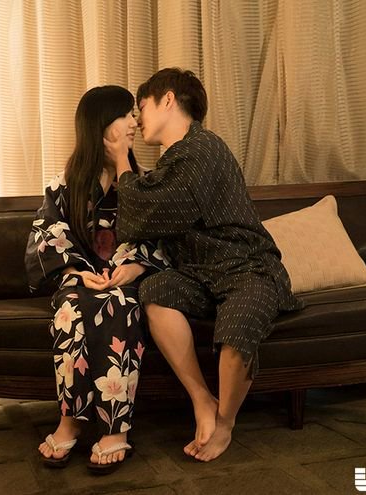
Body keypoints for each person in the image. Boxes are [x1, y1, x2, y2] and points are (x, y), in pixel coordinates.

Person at [104, 68, 303, 462]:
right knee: (156, 290)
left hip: (247, 267)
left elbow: (148, 209)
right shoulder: (172, 163)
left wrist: (122, 159)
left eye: (142, 107)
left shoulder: (202, 148)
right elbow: (153, 206)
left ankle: (225, 423)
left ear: (167, 99)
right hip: (200, 276)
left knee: (238, 325)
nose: (137, 120)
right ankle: (201, 399)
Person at [26, 85, 170, 474]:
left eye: (133, 114)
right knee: (70, 310)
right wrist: (76, 273)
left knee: (117, 304)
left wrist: (136, 267)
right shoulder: (64, 184)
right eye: (124, 115)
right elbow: (47, 236)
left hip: (127, 281)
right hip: (80, 280)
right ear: (99, 124)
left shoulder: (143, 181)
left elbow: (160, 235)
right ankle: (70, 419)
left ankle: (114, 427)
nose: (134, 122)